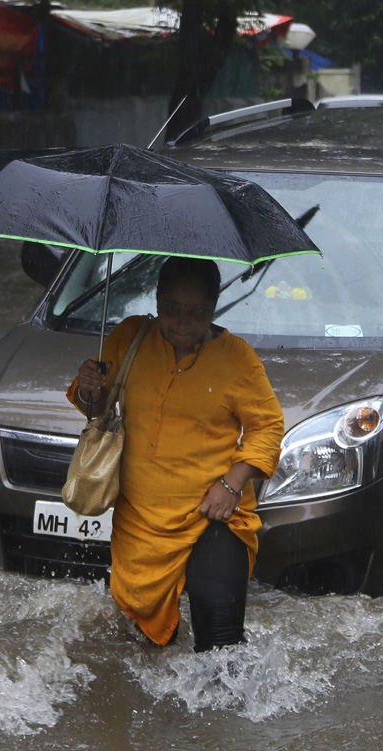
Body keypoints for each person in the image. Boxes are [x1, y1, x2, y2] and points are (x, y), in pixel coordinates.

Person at [68, 257, 284, 652]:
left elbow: (268, 427)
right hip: (140, 521)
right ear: (156, 301)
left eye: (198, 312)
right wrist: (89, 388)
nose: (183, 322)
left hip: (212, 514)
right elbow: (94, 408)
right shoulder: (130, 337)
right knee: (140, 653)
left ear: (214, 306)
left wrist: (232, 484)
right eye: (172, 309)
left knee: (220, 642)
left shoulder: (237, 358)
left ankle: (221, 713)